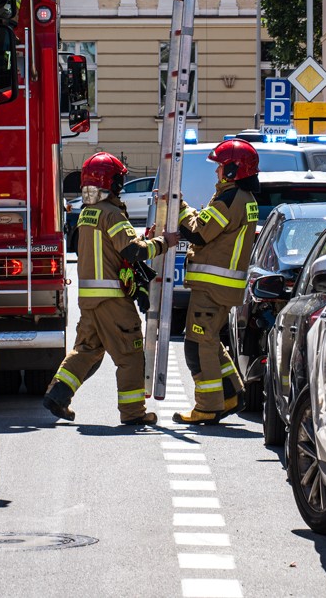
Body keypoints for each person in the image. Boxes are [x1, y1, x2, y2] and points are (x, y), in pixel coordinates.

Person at [43, 152, 164, 426]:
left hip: (88, 299)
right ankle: (134, 413)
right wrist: (162, 242)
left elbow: (111, 249)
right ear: (113, 183)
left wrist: (144, 236)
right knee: (131, 354)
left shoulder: (87, 214)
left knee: (86, 350)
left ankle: (57, 395)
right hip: (113, 301)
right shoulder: (111, 213)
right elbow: (132, 251)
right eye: (120, 180)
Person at [172, 139, 261, 425]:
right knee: (208, 340)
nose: (217, 173)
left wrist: (178, 205)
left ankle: (208, 406)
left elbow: (199, 233)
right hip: (222, 287)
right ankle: (232, 392)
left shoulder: (230, 198)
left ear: (234, 170)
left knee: (198, 345)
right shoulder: (242, 199)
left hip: (212, 287)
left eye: (221, 167)